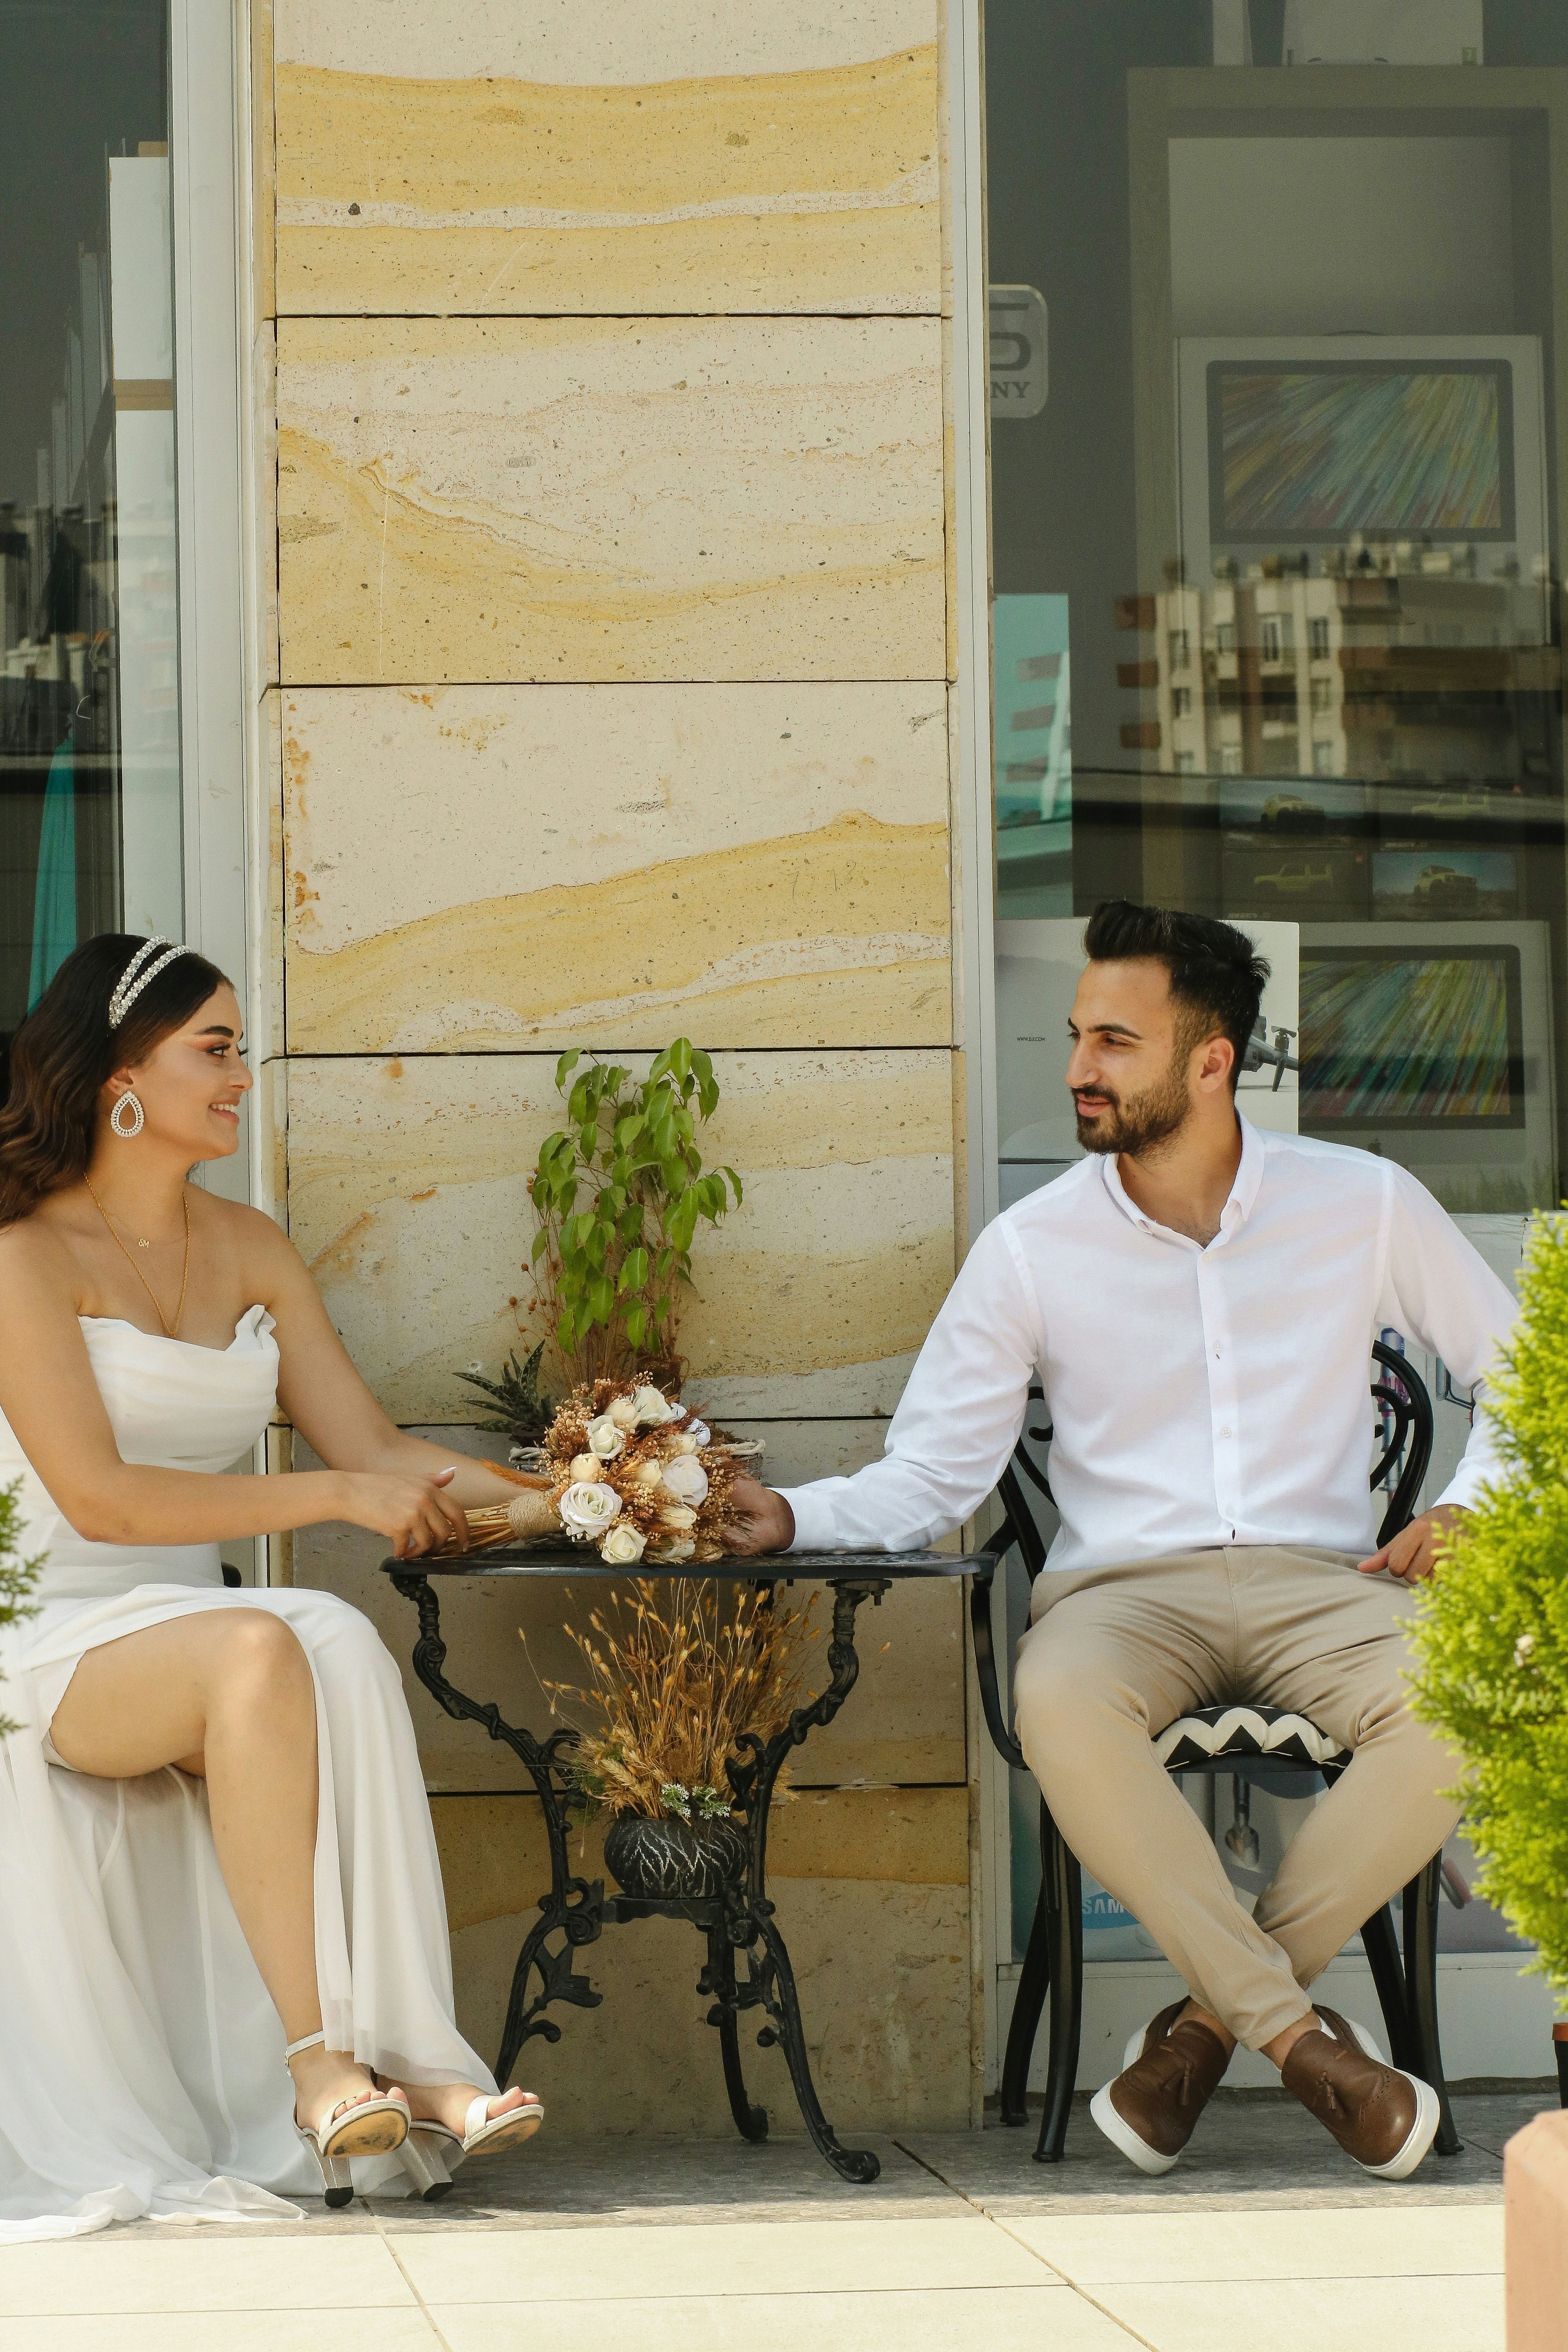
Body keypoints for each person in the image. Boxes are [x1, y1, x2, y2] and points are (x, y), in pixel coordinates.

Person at [725, 902, 1517, 2181]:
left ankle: (1203, 2038)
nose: (1081, 1068)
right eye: (1078, 1036)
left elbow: (1533, 1370)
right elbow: (938, 1467)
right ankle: (1311, 2049)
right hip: (1124, 1599)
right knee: (1058, 1699)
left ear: (1212, 1061)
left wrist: (1475, 1500)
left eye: (1115, 1041)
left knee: (1463, 1692)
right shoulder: (1032, 1248)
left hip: (1328, 1581)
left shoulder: (1362, 1204)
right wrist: (797, 1516)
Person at [0, 934, 546, 2237]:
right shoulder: (24, 1253)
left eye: (242, 1045)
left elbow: (377, 1455)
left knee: (334, 1639)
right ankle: (318, 2068)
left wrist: (584, 1504)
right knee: (266, 1641)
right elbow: (103, 1501)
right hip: (51, 1633)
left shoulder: (247, 1245)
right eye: (218, 1047)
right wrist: (331, 1501)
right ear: (123, 1075)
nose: (246, 1073)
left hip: (187, 1623)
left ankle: (411, 2066)